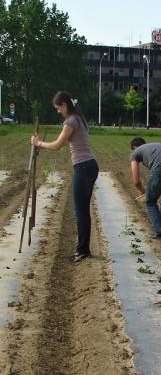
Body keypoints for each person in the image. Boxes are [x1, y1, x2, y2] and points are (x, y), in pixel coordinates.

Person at [31, 91, 99, 263]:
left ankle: (83, 250)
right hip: (90, 165)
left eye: (58, 108)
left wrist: (38, 143)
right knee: (83, 210)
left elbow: (57, 145)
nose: (57, 111)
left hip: (83, 167)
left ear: (64, 105)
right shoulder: (79, 118)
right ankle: (83, 248)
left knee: (80, 211)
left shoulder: (71, 121)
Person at [130, 137, 161, 242]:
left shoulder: (135, 153)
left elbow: (136, 182)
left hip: (160, 168)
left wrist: (143, 192)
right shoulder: (154, 146)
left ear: (134, 148)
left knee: (150, 202)